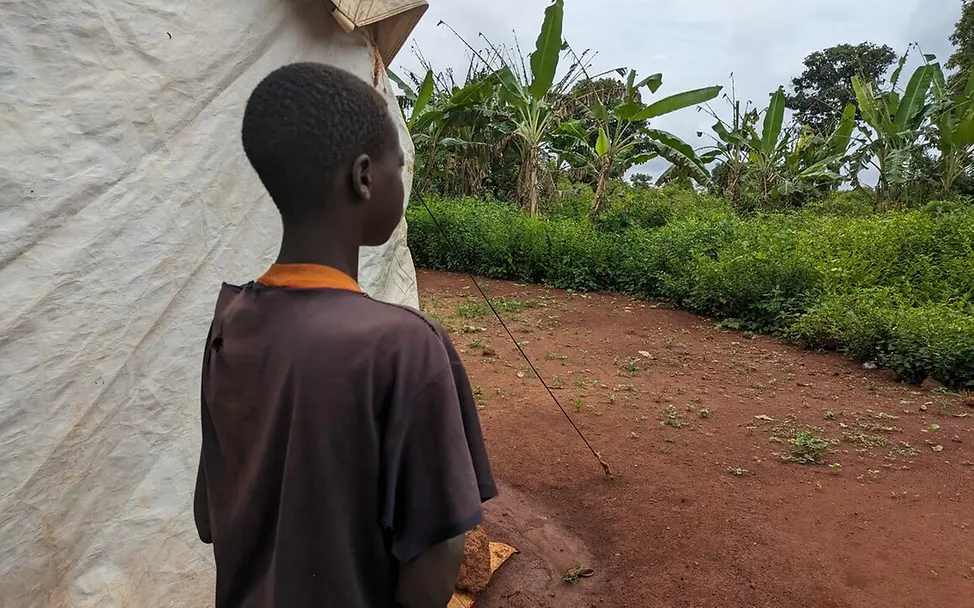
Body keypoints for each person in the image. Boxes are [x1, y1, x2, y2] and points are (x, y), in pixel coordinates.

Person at [192, 62, 497, 608]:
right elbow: (440, 550)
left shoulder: (230, 323)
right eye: (398, 165)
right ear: (363, 178)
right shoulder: (406, 347)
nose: (402, 178)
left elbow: (207, 518)